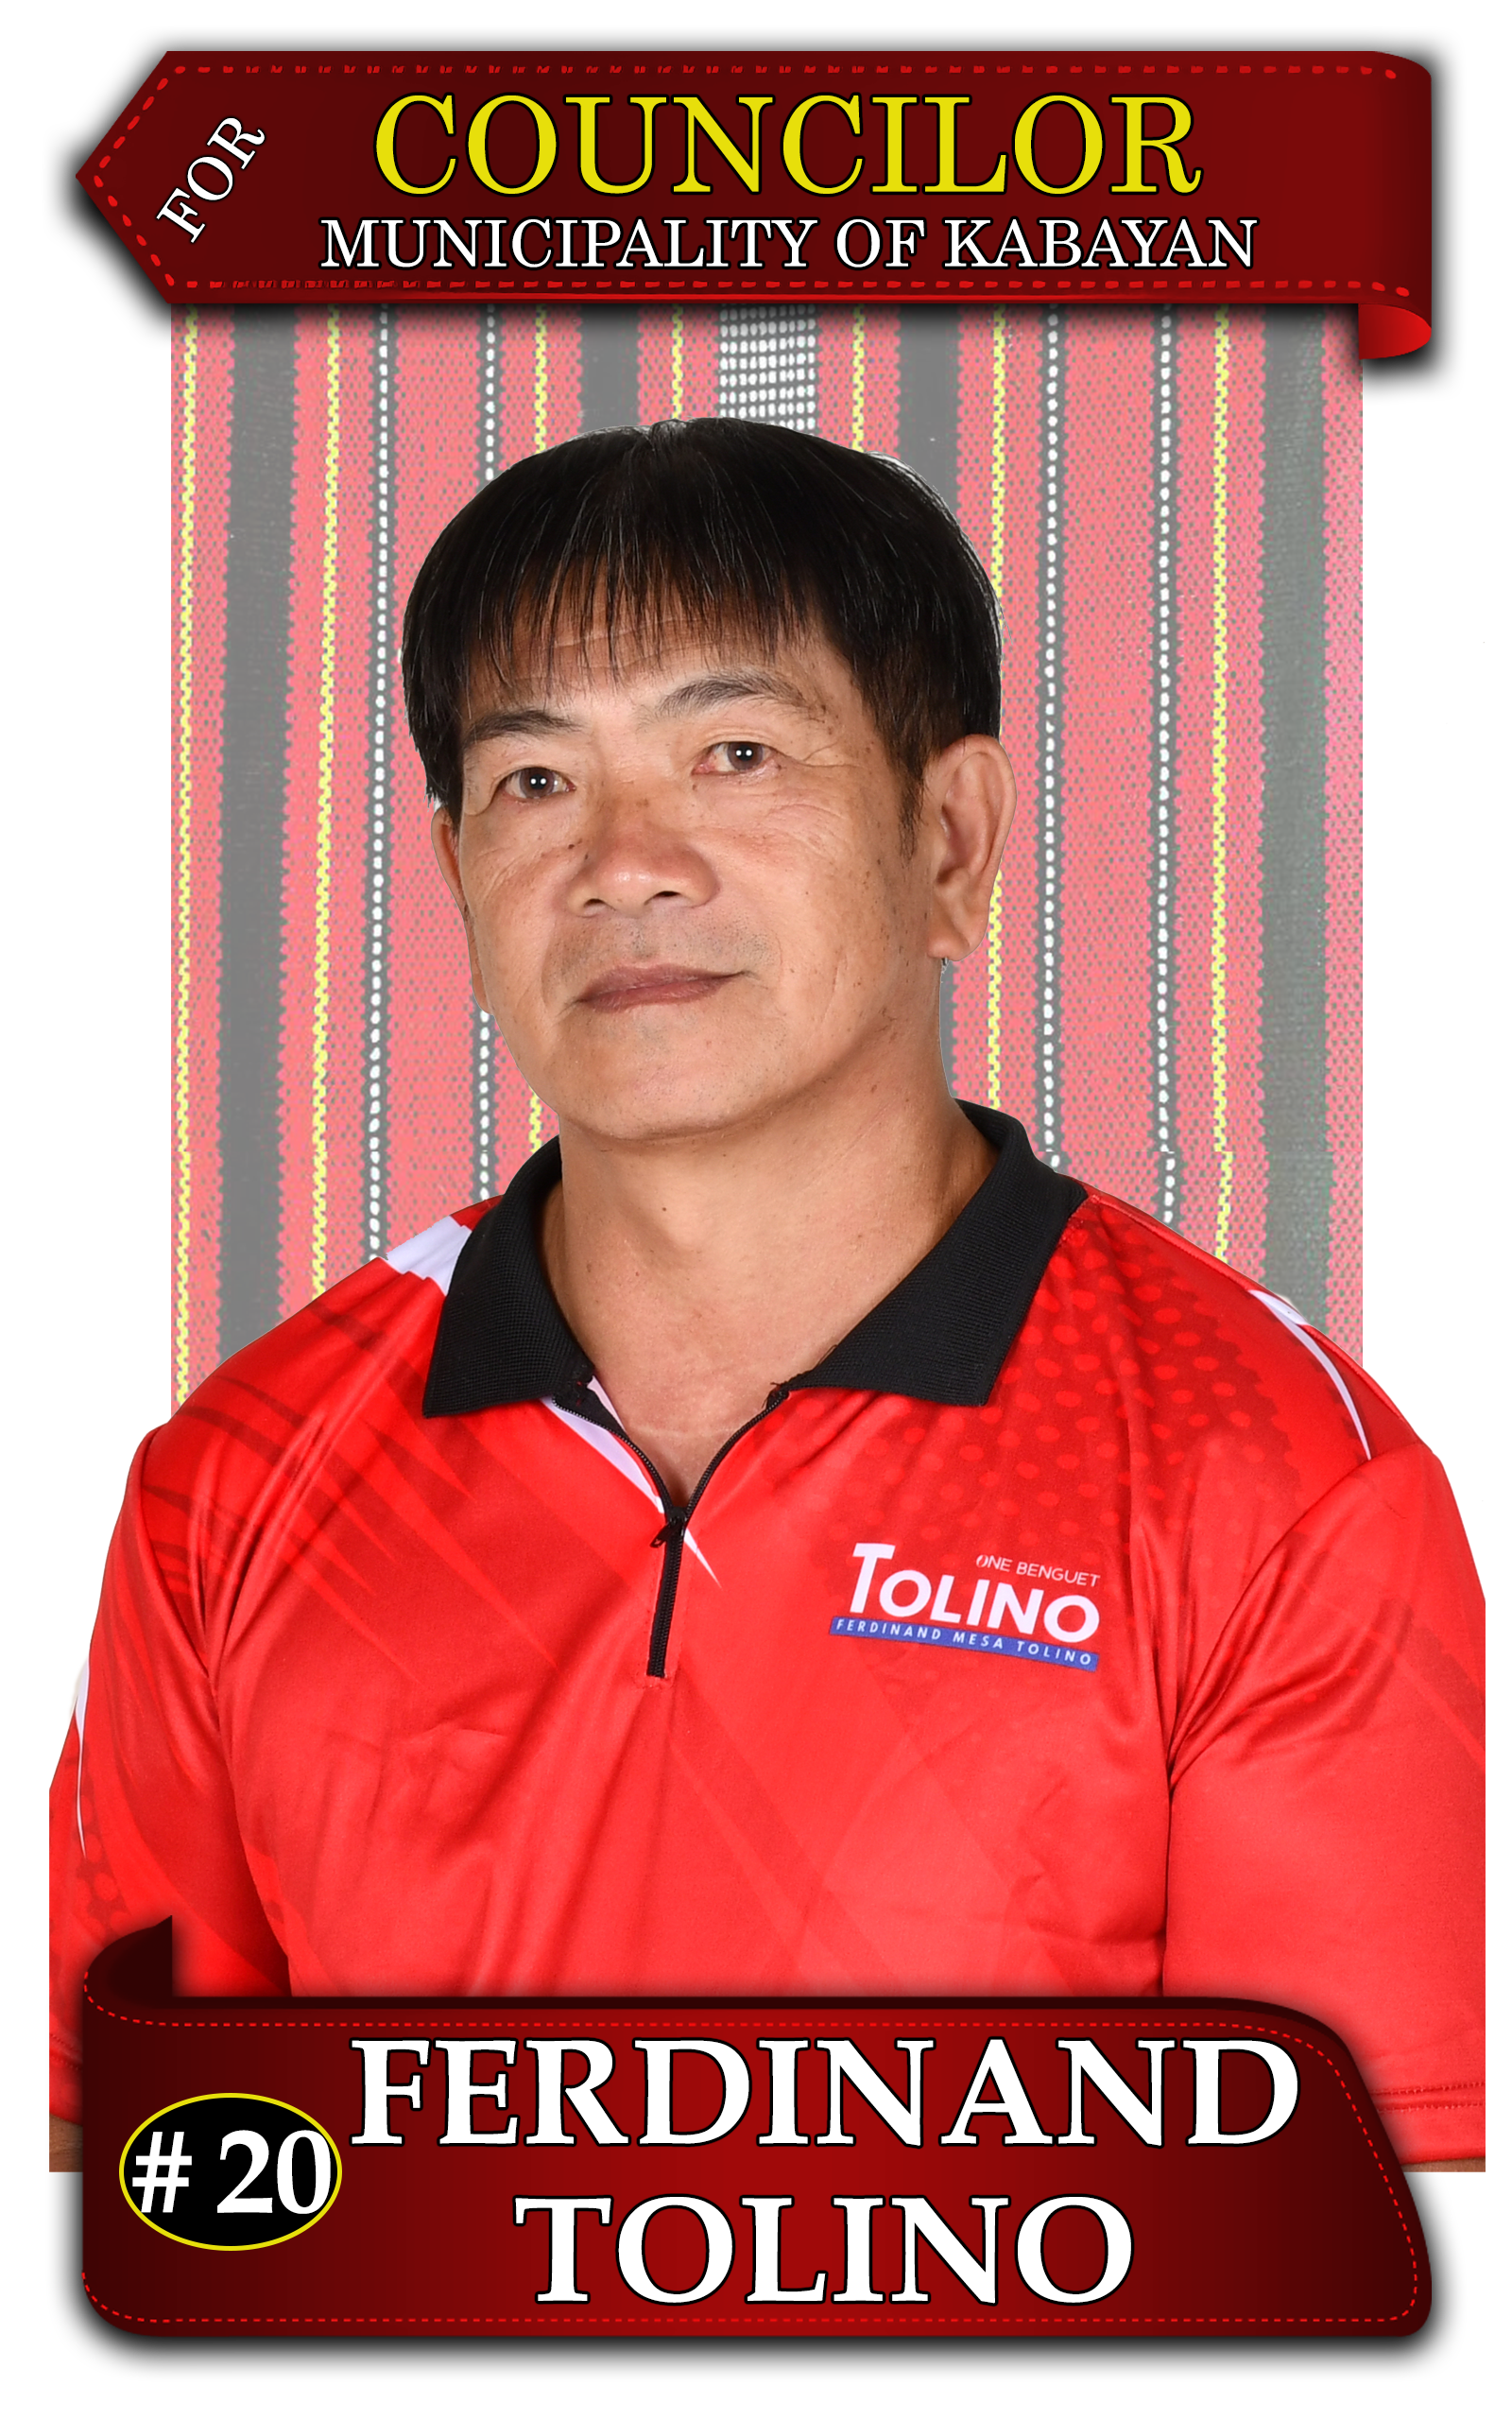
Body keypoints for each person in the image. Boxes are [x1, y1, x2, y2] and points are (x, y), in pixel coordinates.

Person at [49, 418, 1483, 2175]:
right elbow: (143, 2211)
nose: (623, 860)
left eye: (735, 753)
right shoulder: (229, 1485)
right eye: (535, 781)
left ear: (949, 839)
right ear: (455, 874)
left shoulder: (1271, 1481)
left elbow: (1341, 2258)